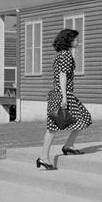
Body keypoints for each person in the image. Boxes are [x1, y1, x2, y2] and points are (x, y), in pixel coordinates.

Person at [37, 28, 93, 170]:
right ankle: (44, 158)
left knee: (83, 118)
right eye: (75, 39)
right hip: (62, 94)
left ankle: (68, 146)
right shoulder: (66, 55)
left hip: (60, 94)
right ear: (69, 41)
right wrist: (64, 98)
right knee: (53, 128)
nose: (78, 41)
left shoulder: (60, 55)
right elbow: (62, 76)